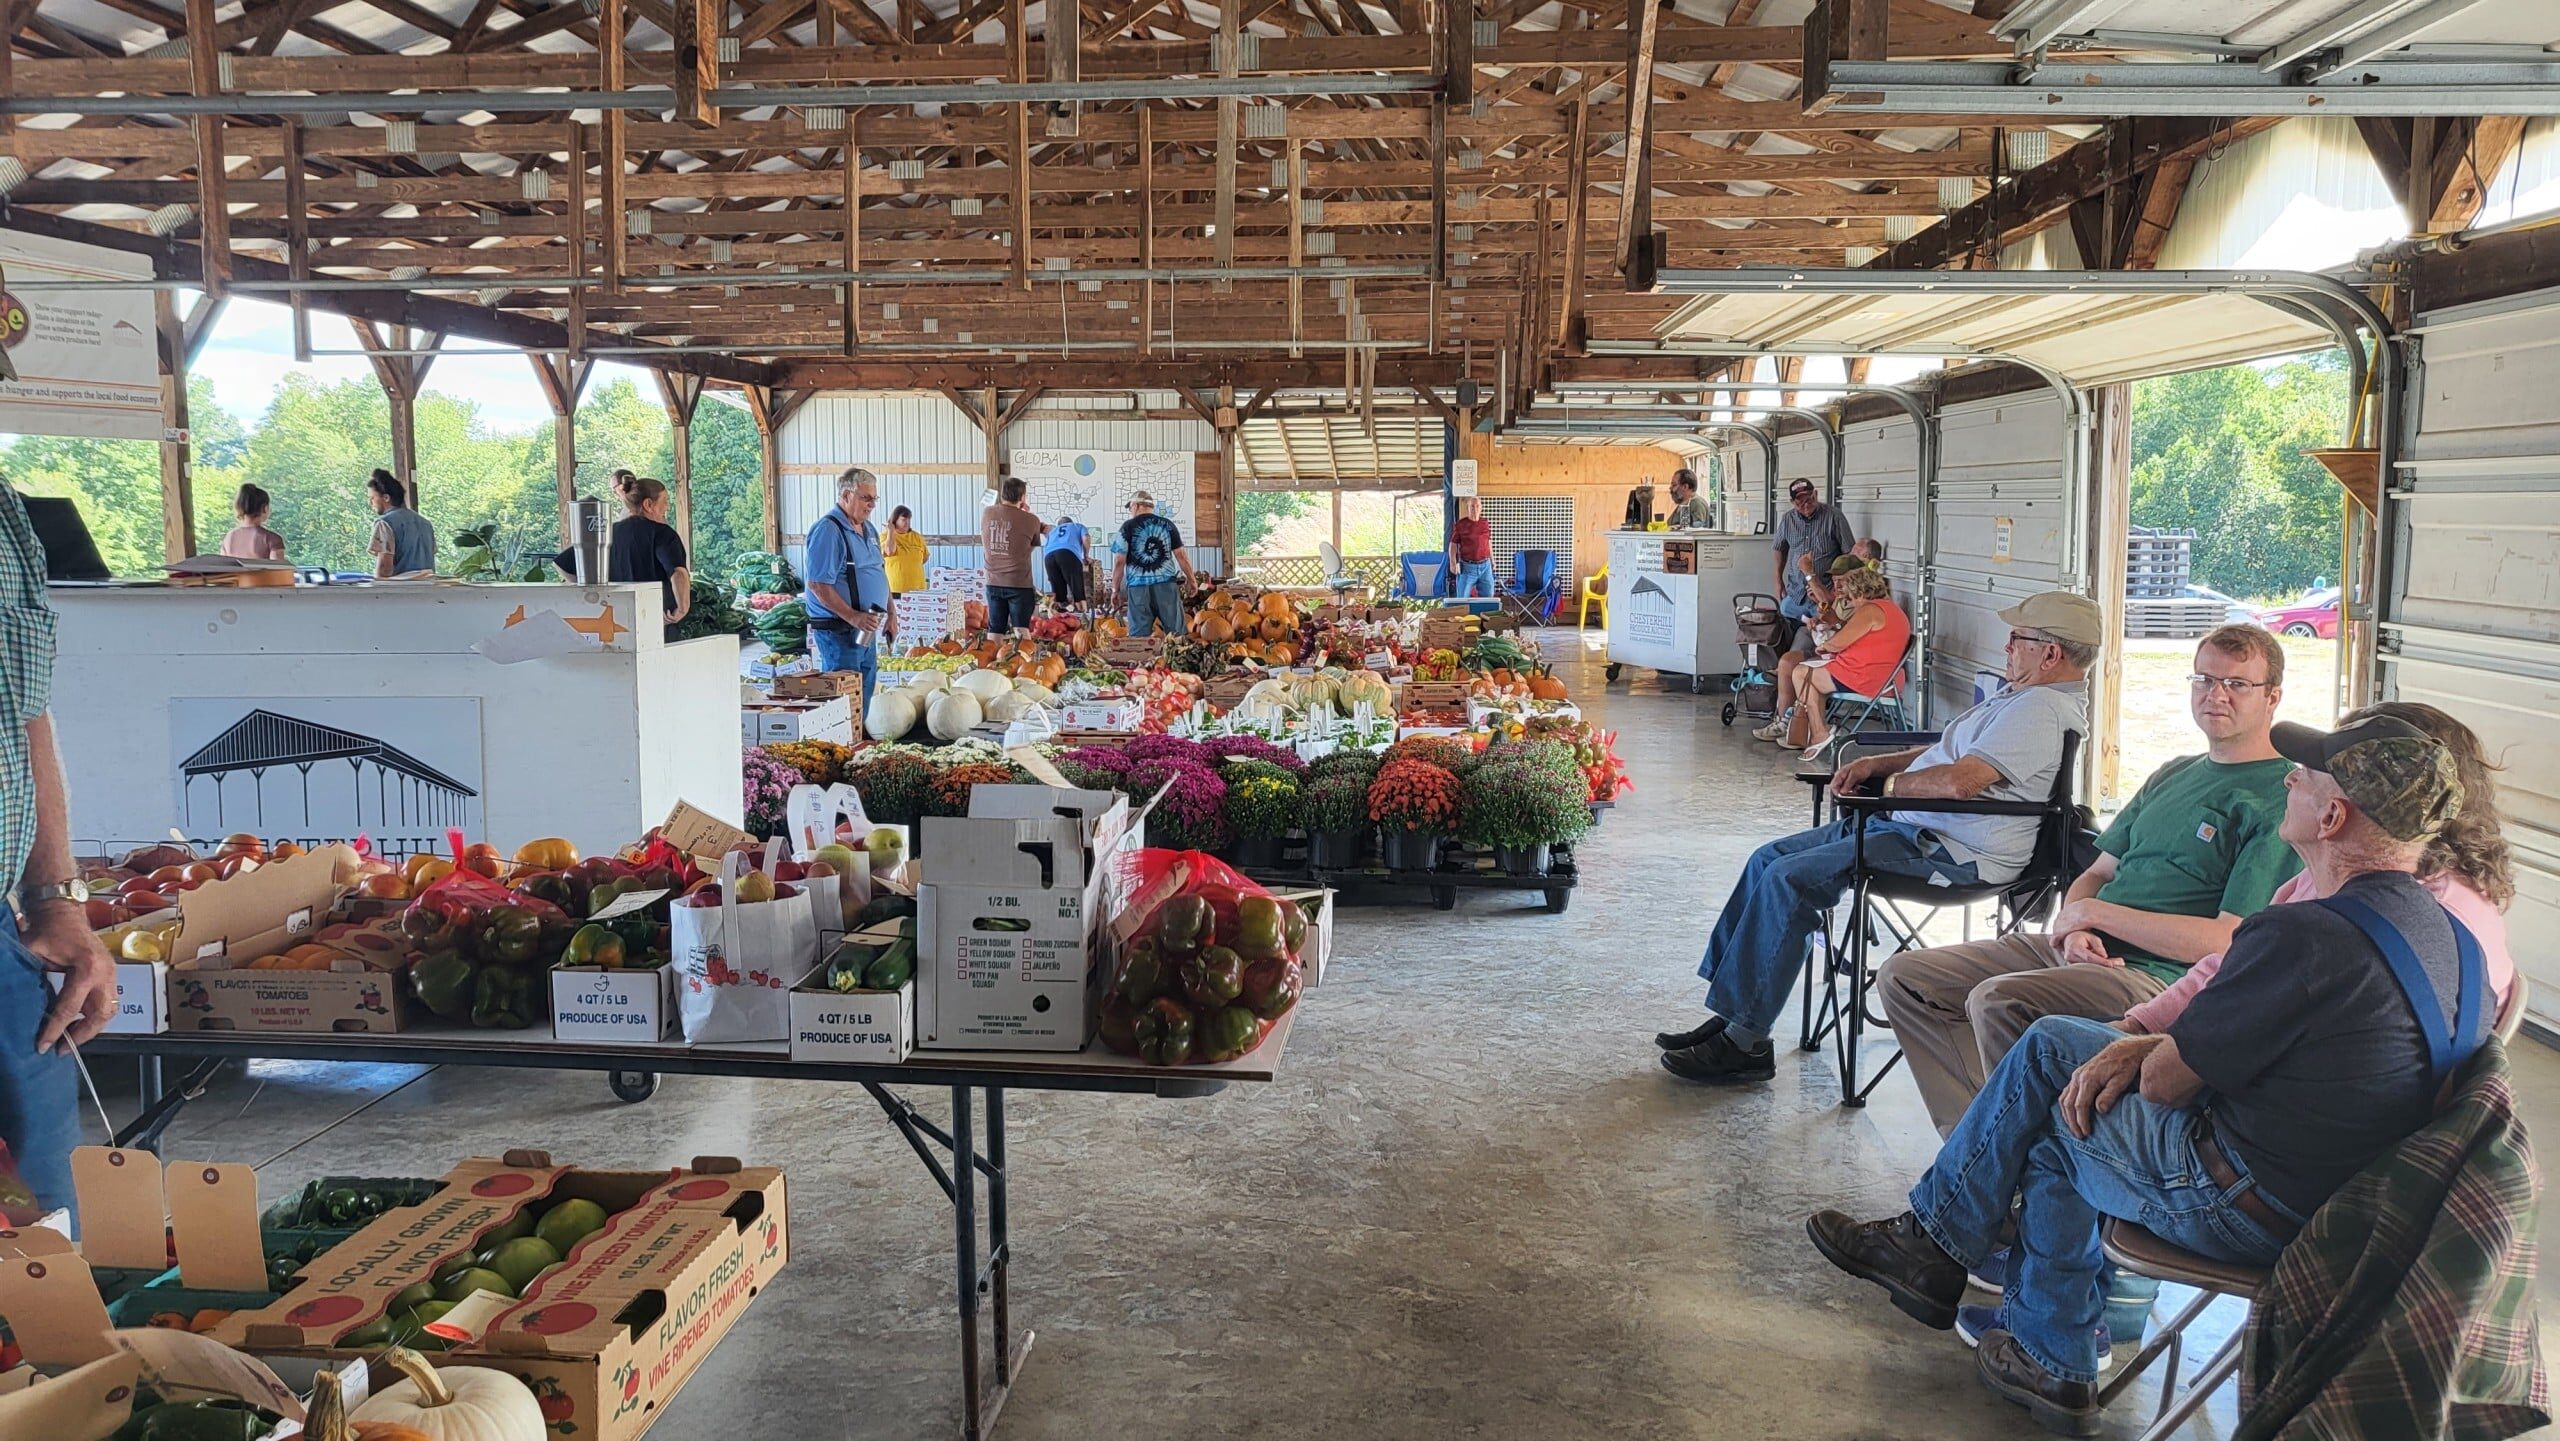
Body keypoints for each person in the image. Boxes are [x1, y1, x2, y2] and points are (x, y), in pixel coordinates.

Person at [1808, 712, 2480, 1436]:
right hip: (2358, 1205)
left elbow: (2165, 1086)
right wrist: (2135, 1041)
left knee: (2061, 1101)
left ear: (2334, 813)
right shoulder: (2452, 940)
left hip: (2258, 1209)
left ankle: (1978, 1283)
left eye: (2305, 774)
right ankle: (1996, 1306)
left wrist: (2139, 1051)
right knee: (2063, 1060)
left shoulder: (2308, 935)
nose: (2289, 777)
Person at [1653, 591, 2101, 1087]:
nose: (2007, 647)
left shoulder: (2039, 709)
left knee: (1790, 878)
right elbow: (1944, 751)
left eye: (2018, 639)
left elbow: (1960, 782)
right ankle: (1736, 1016)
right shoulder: (2021, 694)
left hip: (1951, 853)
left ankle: (1744, 1043)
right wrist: (1874, 764)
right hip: (1914, 827)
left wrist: (1883, 790)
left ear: (2051, 653)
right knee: (1769, 858)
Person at [1877, 624, 2300, 1137]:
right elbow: (2097, 873)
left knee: (1997, 1000)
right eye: (2204, 679)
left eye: (2237, 684)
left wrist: (2095, 915)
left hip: (2155, 975)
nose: (2216, 695)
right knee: (1906, 978)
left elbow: (2225, 940)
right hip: (2083, 948)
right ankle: (1977, 1154)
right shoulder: (2174, 772)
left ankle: (2004, 1167)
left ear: (2272, 697)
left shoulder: (2277, 798)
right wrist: (2075, 929)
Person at [0, 481, 118, 1217]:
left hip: (2, 957)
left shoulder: (4, 511)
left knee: (44, 1243)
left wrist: (55, 896)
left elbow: (25, 708)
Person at [1754, 564, 1909, 760]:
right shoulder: (1887, 609)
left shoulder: (1870, 610)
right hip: (1881, 676)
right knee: (1805, 673)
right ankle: (1814, 730)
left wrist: (1823, 646)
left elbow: (1839, 642)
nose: (1847, 598)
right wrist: (1834, 627)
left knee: (1802, 673)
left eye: (1849, 593)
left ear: (1859, 591)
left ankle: (1815, 730)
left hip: (1867, 677)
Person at [555, 474, 691, 631]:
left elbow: (563, 564)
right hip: (656, 619)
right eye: (665, 502)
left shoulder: (607, 533)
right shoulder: (663, 534)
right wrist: (682, 608)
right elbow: (678, 572)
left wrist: (592, 592)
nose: (667, 507)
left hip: (614, 618)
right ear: (648, 504)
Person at [804, 469, 892, 710]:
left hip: (867, 628)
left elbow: (879, 572)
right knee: (843, 703)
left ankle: (859, 743)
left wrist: (891, 614)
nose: (872, 505)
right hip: (840, 633)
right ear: (846, 495)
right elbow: (818, 585)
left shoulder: (869, 529)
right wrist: (853, 616)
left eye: (875, 498)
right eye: (866, 498)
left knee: (863, 697)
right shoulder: (828, 530)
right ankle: (843, 746)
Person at [1111, 490, 1199, 638]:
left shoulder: (1127, 527)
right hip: (1166, 586)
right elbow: (1181, 556)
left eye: (1130, 507)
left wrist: (1115, 589)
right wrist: (1192, 580)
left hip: (1138, 588)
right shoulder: (1167, 525)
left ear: (1137, 505)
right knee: (1176, 633)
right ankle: (1177, 658)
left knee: (1140, 637)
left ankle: (1142, 661)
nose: (1130, 511)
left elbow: (1119, 561)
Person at [1773, 478, 1854, 629]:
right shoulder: (1787, 520)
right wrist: (1778, 580)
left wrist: (1838, 588)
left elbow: (1849, 555)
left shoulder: (1834, 516)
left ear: (1816, 495)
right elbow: (1779, 548)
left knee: (1826, 632)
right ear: (1792, 502)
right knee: (1784, 610)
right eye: (1800, 501)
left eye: (1809, 498)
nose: (1806, 504)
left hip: (1824, 593)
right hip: (1797, 593)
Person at [982, 478, 1045, 633]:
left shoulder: (987, 512)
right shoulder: (1032, 520)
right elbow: (1030, 546)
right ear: (1022, 497)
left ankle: (993, 654)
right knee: (1021, 630)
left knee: (995, 629)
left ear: (1003, 494)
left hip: (993, 581)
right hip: (1019, 583)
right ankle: (1021, 656)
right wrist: (1025, 513)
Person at [365, 469, 435, 578]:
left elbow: (384, 570)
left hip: (401, 590)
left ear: (386, 498)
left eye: (372, 498)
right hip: (429, 588)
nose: (370, 503)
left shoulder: (384, 523)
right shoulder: (425, 523)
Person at [219, 483, 286, 562]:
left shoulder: (228, 537)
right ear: (265, 508)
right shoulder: (272, 539)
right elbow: (278, 572)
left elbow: (223, 569)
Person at [1448, 497, 1495, 598]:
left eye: (1477, 506)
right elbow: (1453, 545)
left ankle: (1483, 614)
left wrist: (1493, 560)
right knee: (1462, 597)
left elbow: (1488, 542)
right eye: (1472, 506)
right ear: (1468, 508)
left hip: (1485, 566)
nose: (1475, 509)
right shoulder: (1460, 524)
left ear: (1481, 508)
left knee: (1488, 597)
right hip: (1467, 567)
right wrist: (1452, 563)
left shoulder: (1485, 523)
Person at [1044, 513, 1091, 608]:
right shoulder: (1078, 526)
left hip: (1048, 557)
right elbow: (1086, 538)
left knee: (1058, 591)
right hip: (1067, 553)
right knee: (1076, 585)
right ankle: (1083, 613)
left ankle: (1060, 613)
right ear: (1070, 522)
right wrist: (1086, 556)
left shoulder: (1052, 531)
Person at [883, 505, 929, 595]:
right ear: (895, 520)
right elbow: (889, 551)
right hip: (896, 590)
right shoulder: (885, 536)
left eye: (909, 520)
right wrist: (891, 531)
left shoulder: (917, 537)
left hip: (919, 590)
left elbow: (925, 557)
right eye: (903, 520)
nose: (907, 523)